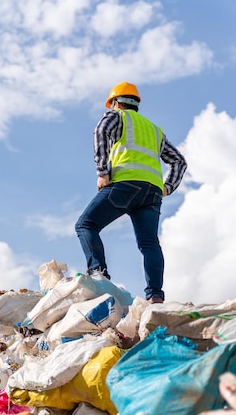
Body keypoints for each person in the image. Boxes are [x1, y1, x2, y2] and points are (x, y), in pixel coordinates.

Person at [75, 81, 187, 304]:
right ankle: (155, 296)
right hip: (152, 192)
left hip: (125, 183)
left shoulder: (117, 117)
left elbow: (101, 131)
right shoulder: (154, 130)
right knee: (149, 244)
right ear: (135, 103)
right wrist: (167, 187)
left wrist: (102, 172)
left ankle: (99, 273)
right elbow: (179, 162)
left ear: (115, 103)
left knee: (86, 225)